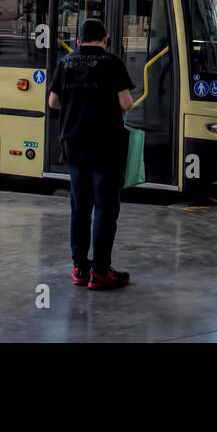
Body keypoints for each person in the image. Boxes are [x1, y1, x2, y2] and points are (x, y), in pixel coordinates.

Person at [47, 18, 136, 289]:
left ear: (78, 41)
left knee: (80, 207)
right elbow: (126, 103)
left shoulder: (65, 62)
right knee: (106, 209)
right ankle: (100, 272)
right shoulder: (112, 63)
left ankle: (80, 270)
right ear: (106, 39)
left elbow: (53, 101)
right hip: (106, 146)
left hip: (74, 145)